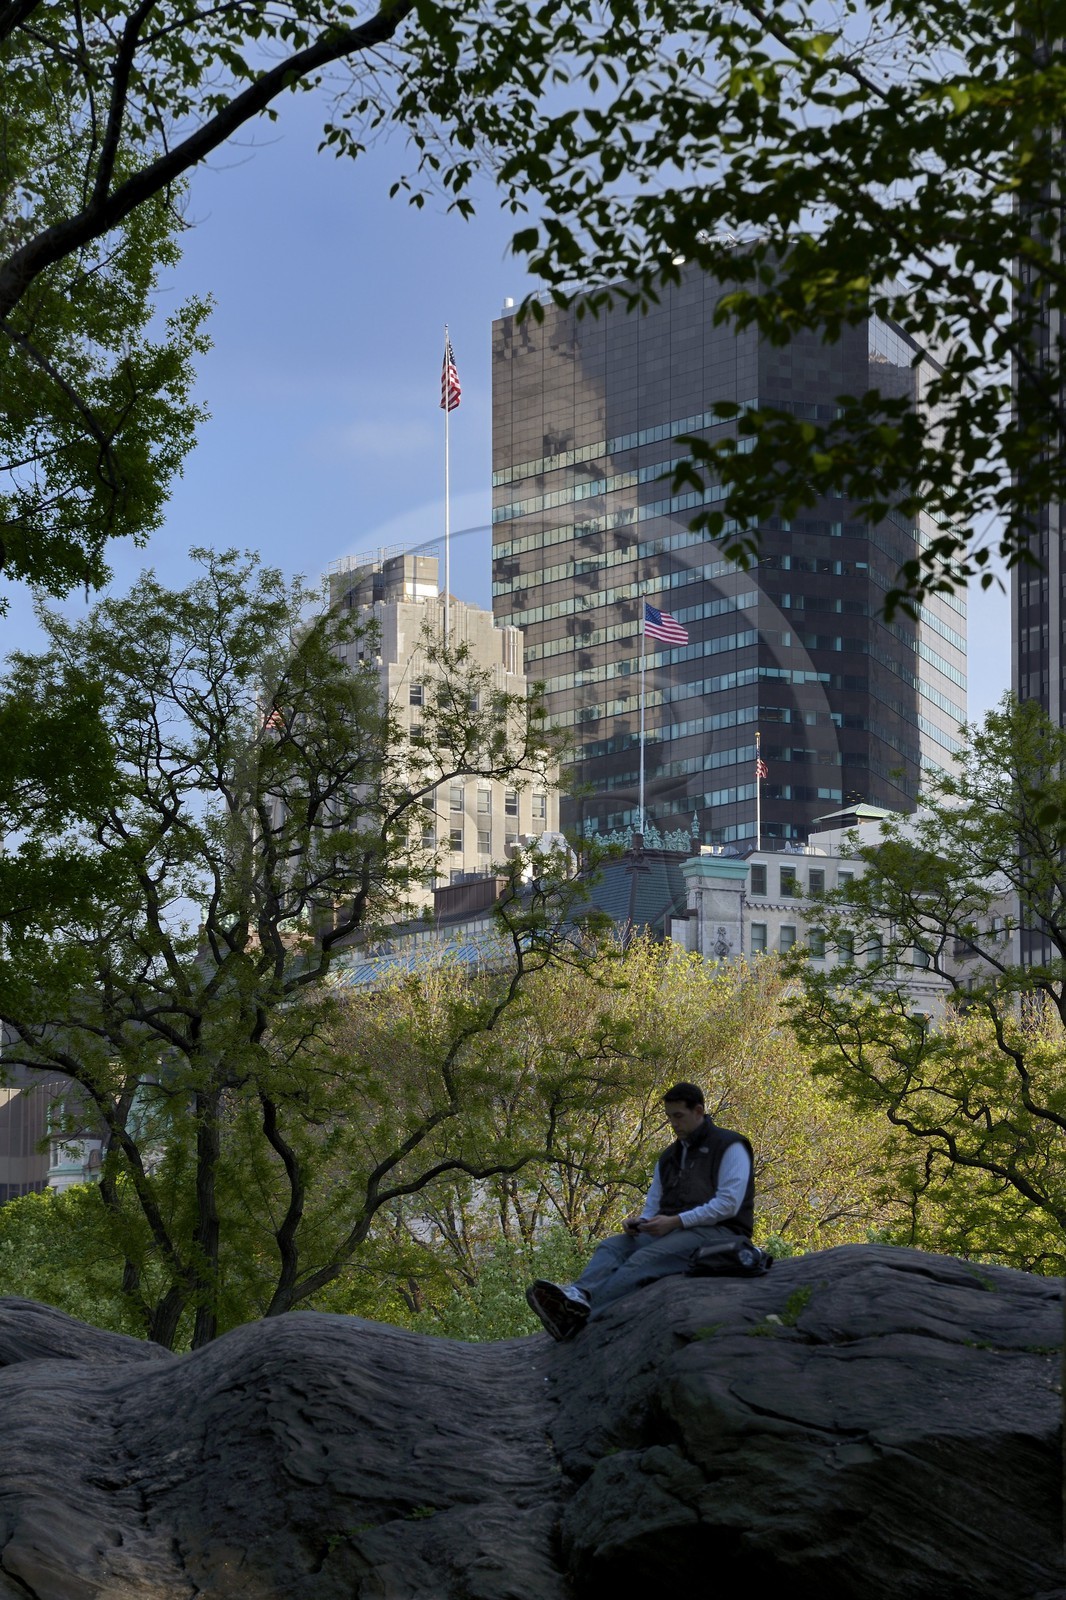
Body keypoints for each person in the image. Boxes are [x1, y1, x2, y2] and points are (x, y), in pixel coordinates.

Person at [525, 1081, 754, 1341]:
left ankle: (582, 1318)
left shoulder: (730, 1146)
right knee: (612, 1247)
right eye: (669, 1117)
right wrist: (641, 1222)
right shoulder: (669, 1156)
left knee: (643, 1259)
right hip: (675, 1230)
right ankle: (578, 1295)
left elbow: (728, 1204)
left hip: (721, 1233)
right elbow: (654, 1205)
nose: (673, 1123)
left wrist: (675, 1222)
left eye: (678, 1116)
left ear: (699, 1111)